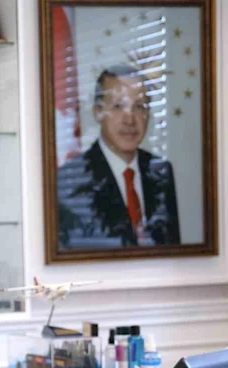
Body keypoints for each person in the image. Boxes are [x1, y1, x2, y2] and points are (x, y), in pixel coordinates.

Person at [57, 64, 180, 248]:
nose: (130, 119)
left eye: (139, 107)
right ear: (98, 112)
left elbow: (173, 253)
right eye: (118, 106)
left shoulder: (161, 171)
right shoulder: (68, 181)